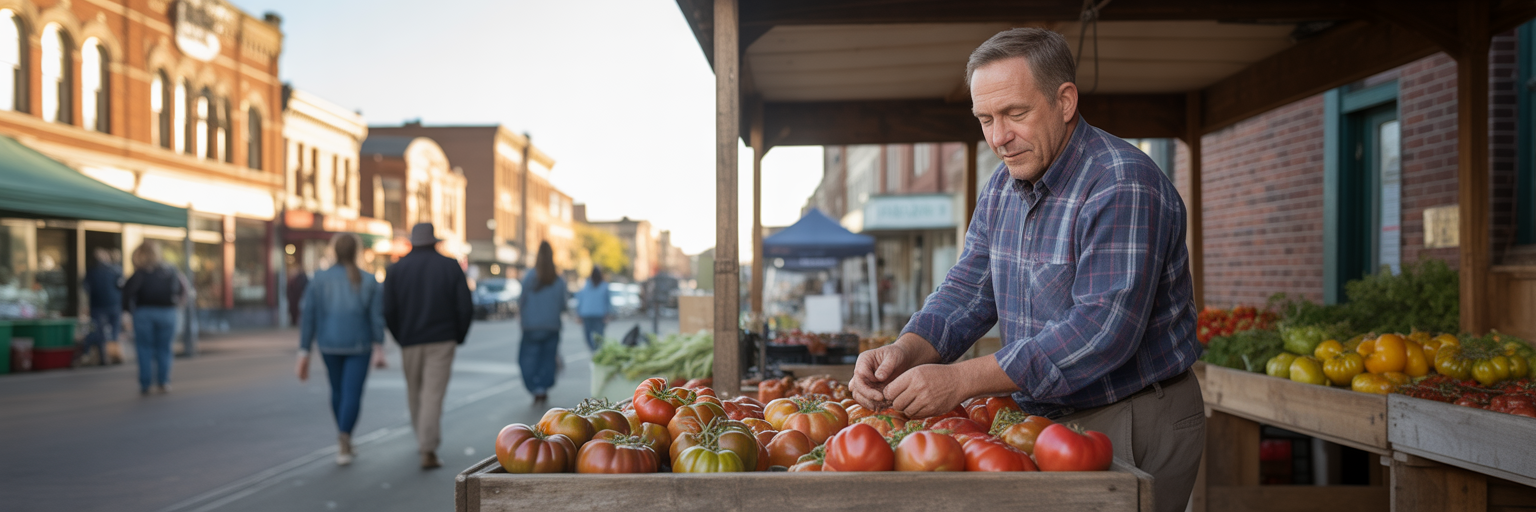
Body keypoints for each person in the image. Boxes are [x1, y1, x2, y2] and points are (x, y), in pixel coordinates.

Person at [849, 28, 1203, 512]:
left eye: (1015, 113)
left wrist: (960, 380)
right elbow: (967, 290)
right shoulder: (1002, 185)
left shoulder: (1122, 183)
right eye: (985, 119)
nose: (999, 137)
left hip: (1132, 411)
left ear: (1065, 101)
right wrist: (904, 350)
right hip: (1045, 417)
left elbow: (1101, 331)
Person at [383, 223, 473, 470]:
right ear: (434, 241)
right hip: (442, 339)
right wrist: (459, 335)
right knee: (433, 395)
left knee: (415, 392)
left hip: (410, 339)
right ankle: (427, 447)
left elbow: (388, 310)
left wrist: (400, 336)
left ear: (412, 242)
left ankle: (423, 439)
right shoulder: (449, 266)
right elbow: (465, 305)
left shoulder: (396, 269)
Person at [296, 233, 386, 466]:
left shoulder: (319, 279)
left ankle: (344, 437)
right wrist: (379, 347)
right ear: (357, 252)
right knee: (352, 393)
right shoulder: (369, 280)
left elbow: (309, 317)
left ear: (333, 251)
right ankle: (345, 438)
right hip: (359, 345)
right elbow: (376, 318)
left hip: (329, 344)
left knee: (337, 391)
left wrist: (304, 351)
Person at [123, 242, 189, 395]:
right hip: (167, 312)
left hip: (144, 313)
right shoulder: (170, 270)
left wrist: (126, 312)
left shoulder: (139, 273)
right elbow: (183, 289)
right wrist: (178, 304)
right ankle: (163, 382)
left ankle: (145, 383)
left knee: (144, 348)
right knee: (164, 348)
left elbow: (127, 293)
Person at [517, 242, 567, 404]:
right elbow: (562, 305)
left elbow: (521, 301)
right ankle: (543, 388)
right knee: (547, 358)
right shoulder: (558, 280)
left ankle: (535, 387)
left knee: (527, 359)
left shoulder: (529, 277)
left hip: (531, 326)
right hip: (551, 326)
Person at [80, 248, 123, 366]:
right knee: (113, 332)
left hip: (98, 306)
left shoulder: (91, 271)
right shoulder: (115, 270)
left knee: (98, 331)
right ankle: (113, 356)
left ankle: (98, 355)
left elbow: (85, 288)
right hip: (113, 305)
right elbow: (122, 286)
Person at [574, 266, 612, 351]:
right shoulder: (604, 286)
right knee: (599, 336)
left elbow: (580, 300)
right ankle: (597, 351)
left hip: (587, 313)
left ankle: (594, 350)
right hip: (598, 314)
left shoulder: (586, 285)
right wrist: (608, 314)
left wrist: (578, 313)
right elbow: (608, 302)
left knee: (589, 336)